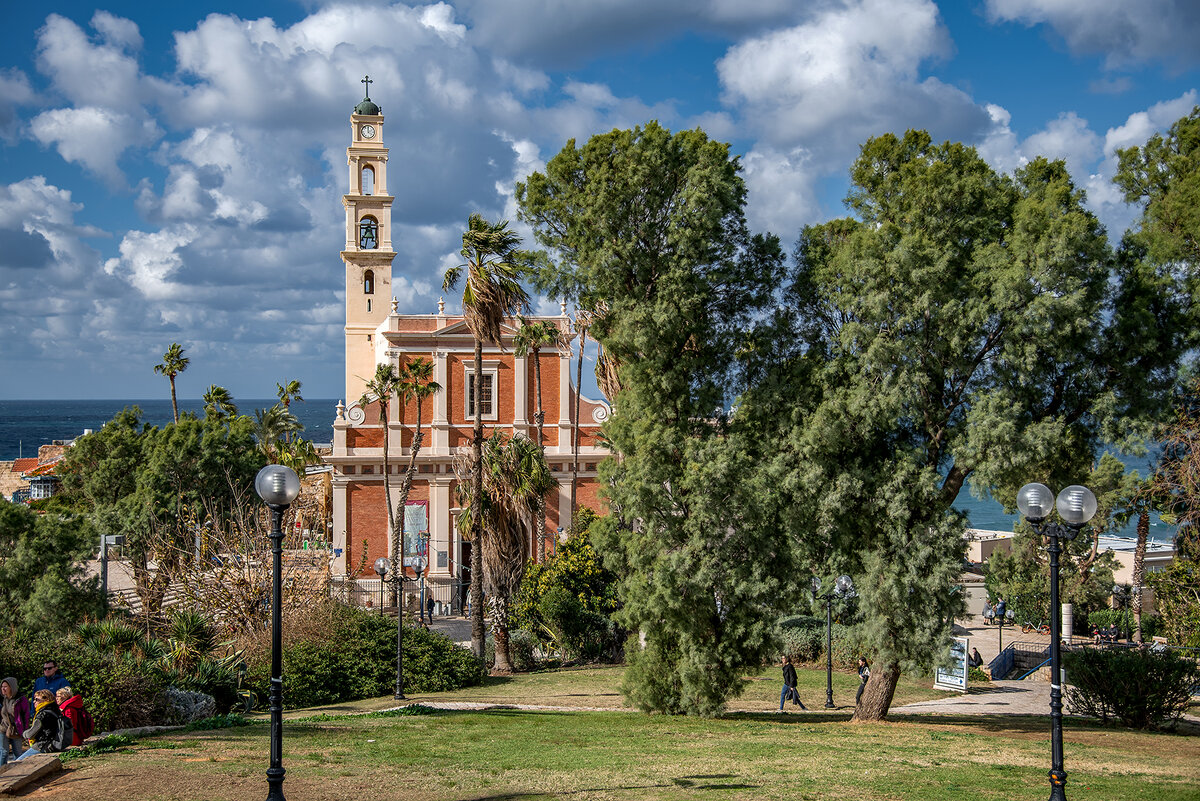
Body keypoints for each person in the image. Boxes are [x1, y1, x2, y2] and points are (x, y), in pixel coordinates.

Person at [15, 689, 71, 760]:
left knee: (17, 762)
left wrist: (24, 734)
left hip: (44, 745)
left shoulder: (43, 714)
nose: (34, 701)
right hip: (56, 744)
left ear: (46, 700)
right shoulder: (55, 710)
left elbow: (30, 734)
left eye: (37, 699)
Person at [1, 677, 30, 765]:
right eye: (2, 686)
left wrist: (25, 730)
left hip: (17, 729)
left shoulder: (21, 699)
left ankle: (18, 771)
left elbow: (26, 715)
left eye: (5, 686)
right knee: (3, 752)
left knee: (18, 753)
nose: (3, 689)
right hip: (3, 727)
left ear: (12, 687)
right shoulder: (4, 698)